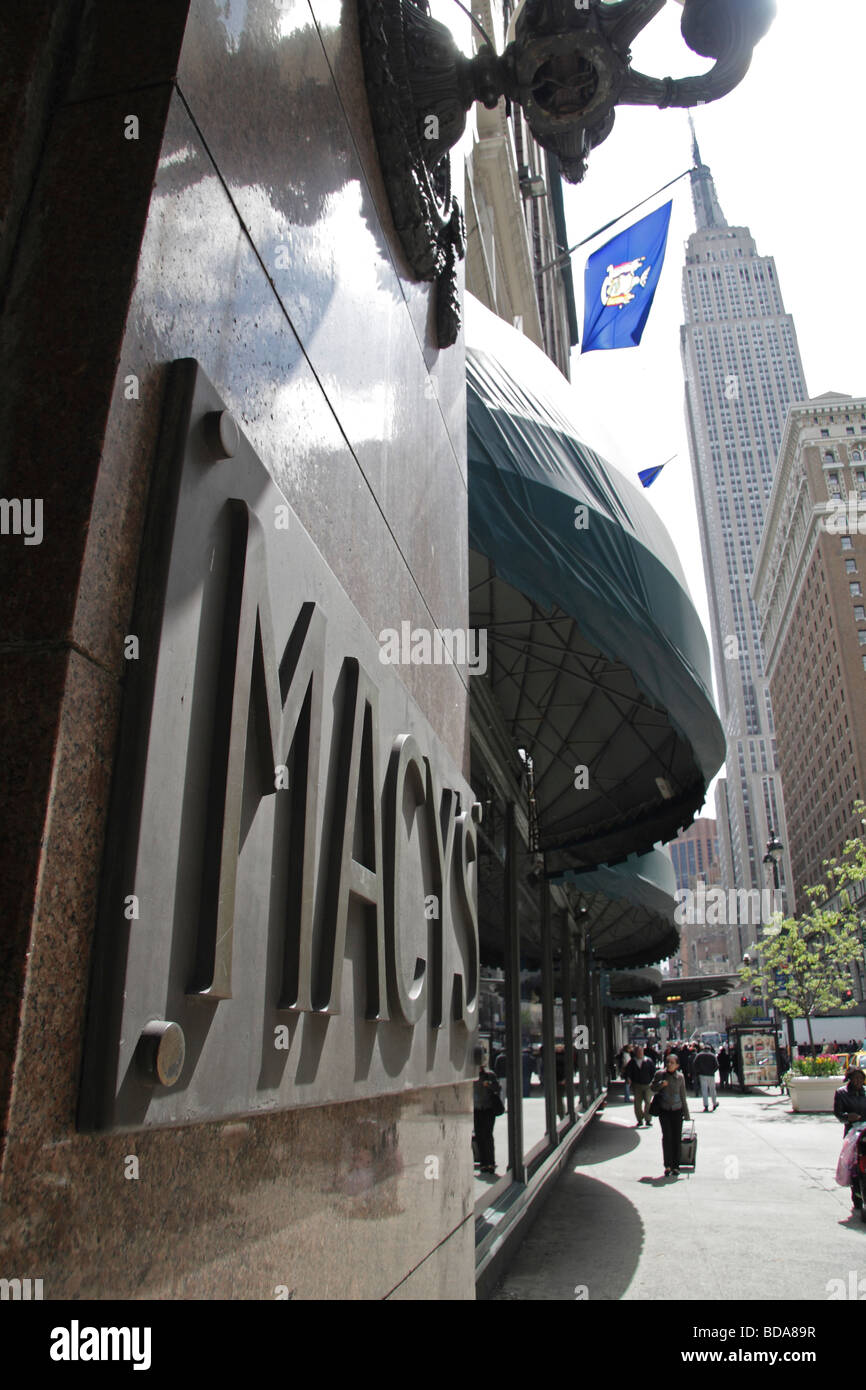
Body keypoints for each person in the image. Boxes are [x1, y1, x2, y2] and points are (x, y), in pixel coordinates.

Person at [651, 1053, 691, 1176]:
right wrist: (660, 1085)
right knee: (667, 1137)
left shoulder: (680, 1077)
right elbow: (652, 1088)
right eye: (667, 1062)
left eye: (672, 1063)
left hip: (677, 1110)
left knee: (676, 1138)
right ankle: (667, 1165)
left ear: (677, 1065)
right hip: (664, 1110)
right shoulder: (660, 1074)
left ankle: (676, 1166)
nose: (669, 1064)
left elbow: (683, 1096)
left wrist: (686, 1113)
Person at [833, 1066, 866, 1211]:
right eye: (856, 1078)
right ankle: (857, 1197)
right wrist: (848, 1117)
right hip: (853, 1135)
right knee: (855, 1166)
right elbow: (838, 1113)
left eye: (861, 1078)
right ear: (850, 1079)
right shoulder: (841, 1093)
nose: (859, 1081)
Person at [473, 1063, 503, 1175]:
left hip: (488, 1109)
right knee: (479, 1136)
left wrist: (489, 1084)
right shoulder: (471, 1076)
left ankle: (491, 1162)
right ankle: (483, 1163)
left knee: (488, 1135)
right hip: (476, 1109)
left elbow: (498, 1088)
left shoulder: (490, 1075)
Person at [624, 1045, 656, 1127]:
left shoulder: (648, 1061)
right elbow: (628, 1072)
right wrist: (628, 1078)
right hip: (637, 1085)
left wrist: (653, 1082)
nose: (640, 1053)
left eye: (641, 1052)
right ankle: (640, 1119)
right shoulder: (632, 1062)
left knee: (648, 1102)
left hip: (648, 1085)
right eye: (638, 1052)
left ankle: (648, 1119)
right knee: (637, 1103)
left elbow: (653, 1072)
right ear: (635, 1053)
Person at [695, 1044, 720, 1111]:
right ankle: (714, 1103)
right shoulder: (713, 1055)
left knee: (704, 1090)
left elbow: (695, 1064)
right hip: (711, 1075)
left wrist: (699, 1071)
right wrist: (712, 1071)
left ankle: (706, 1105)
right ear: (709, 1049)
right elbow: (717, 1065)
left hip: (702, 1075)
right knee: (712, 1090)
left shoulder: (699, 1055)